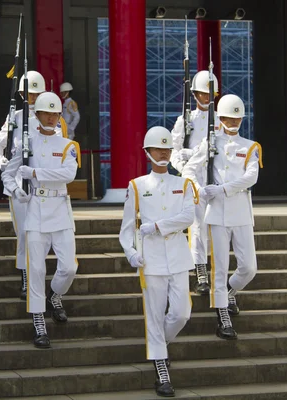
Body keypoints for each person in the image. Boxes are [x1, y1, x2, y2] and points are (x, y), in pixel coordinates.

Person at [119, 126, 198, 397]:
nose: (163, 152)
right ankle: (162, 370)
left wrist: (157, 226)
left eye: (167, 148)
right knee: (153, 314)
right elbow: (126, 229)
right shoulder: (137, 186)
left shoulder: (184, 184)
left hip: (177, 255)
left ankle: (158, 346)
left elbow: (189, 217)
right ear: (148, 152)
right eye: (157, 148)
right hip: (150, 259)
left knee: (181, 313)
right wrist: (130, 252)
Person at [1, 91, 81, 348]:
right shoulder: (28, 143)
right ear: (36, 115)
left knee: (68, 267)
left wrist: (34, 172)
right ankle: (39, 322)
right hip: (35, 210)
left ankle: (55, 295)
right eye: (45, 112)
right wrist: (16, 190)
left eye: (55, 113)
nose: (51, 117)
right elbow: (8, 174)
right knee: (36, 270)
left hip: (60, 210)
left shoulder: (67, 145)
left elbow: (68, 175)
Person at [182, 94, 263, 339]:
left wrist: (224, 188)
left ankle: (228, 292)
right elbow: (189, 169)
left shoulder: (250, 146)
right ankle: (222, 315)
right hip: (216, 212)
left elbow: (252, 177)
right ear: (221, 118)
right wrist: (200, 190)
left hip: (240, 210)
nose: (233, 122)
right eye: (229, 117)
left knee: (249, 267)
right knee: (220, 267)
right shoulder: (210, 143)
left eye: (237, 118)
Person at [0, 71, 65, 300]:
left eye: (36, 94)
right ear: (22, 93)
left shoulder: (54, 119)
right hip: (18, 184)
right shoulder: (15, 117)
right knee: (24, 232)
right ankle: (26, 276)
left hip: (43, 183)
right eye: (28, 94)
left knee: (42, 235)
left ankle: (44, 280)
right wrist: (1, 161)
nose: (32, 99)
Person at [169, 70, 220, 296]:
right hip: (194, 178)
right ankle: (200, 270)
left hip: (215, 179)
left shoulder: (220, 120)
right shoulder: (185, 120)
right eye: (202, 94)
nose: (207, 98)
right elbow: (174, 151)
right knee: (197, 226)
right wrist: (185, 168)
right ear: (194, 95)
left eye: (210, 94)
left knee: (217, 227)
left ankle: (218, 273)